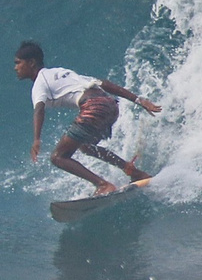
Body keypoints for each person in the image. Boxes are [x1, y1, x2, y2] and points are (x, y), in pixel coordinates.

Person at [15, 40, 162, 194]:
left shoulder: (39, 82)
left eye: (18, 63)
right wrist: (138, 100)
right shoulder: (60, 72)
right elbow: (101, 83)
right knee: (86, 146)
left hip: (94, 107)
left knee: (58, 157)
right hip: (110, 105)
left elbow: (39, 109)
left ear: (31, 63)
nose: (15, 68)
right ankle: (134, 172)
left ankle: (103, 185)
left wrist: (37, 139)